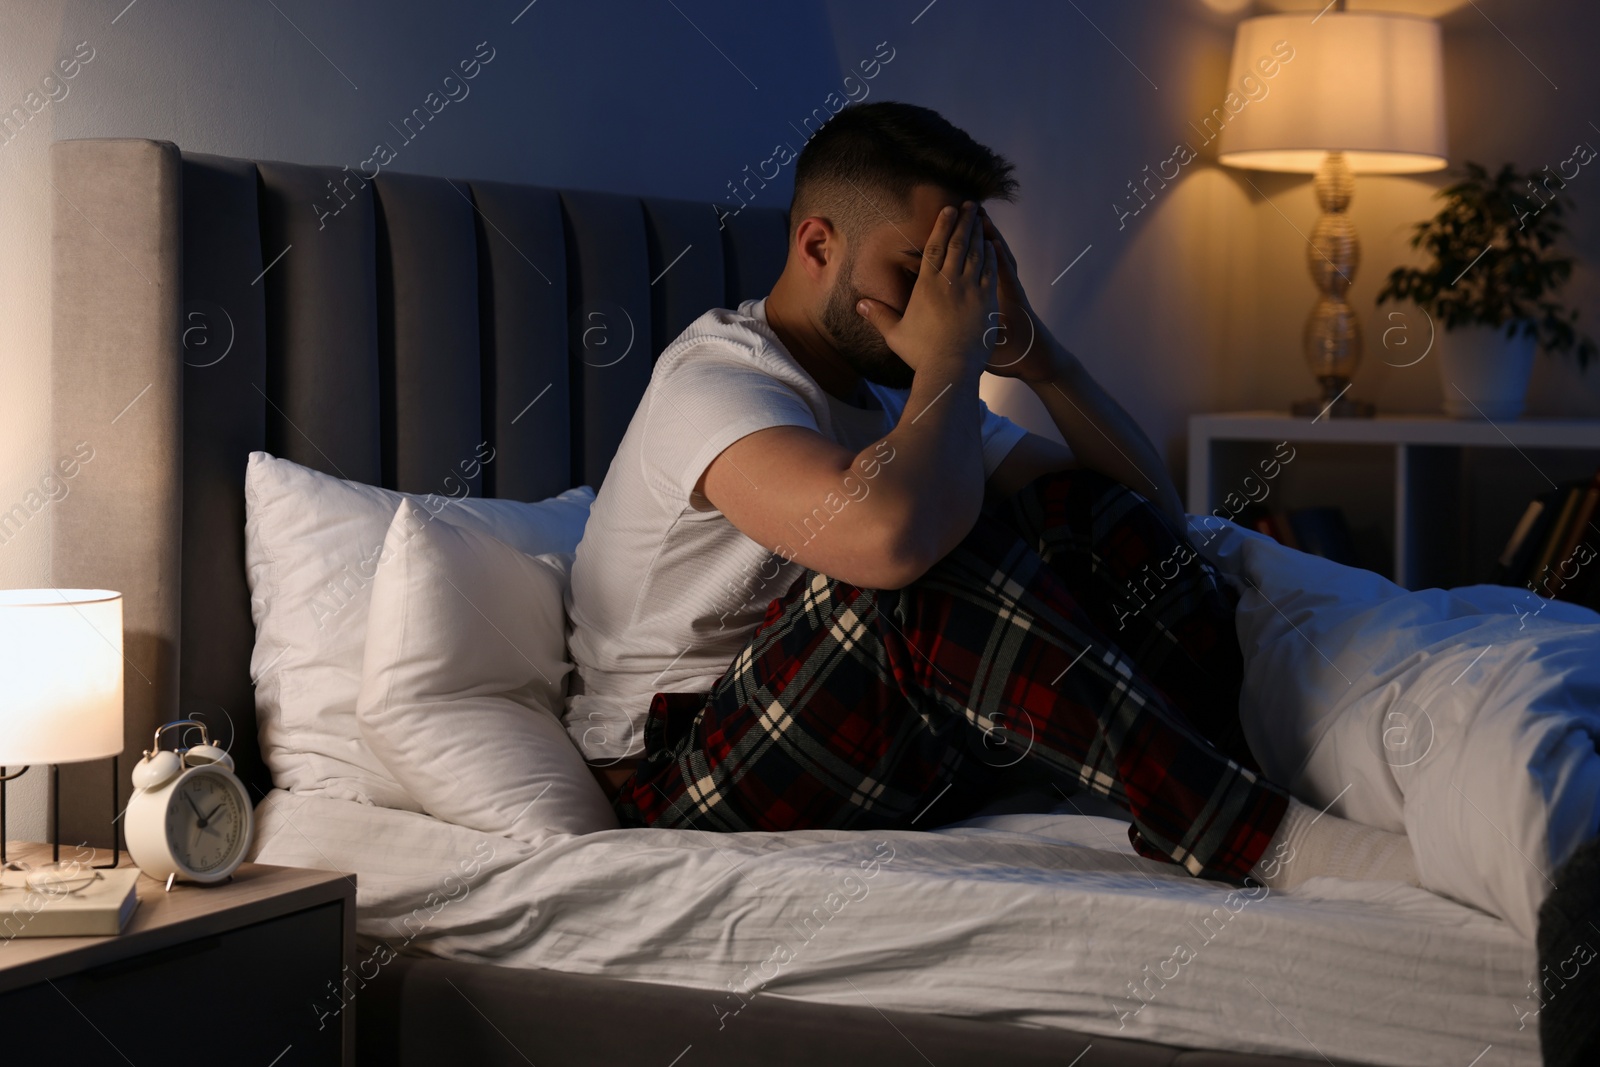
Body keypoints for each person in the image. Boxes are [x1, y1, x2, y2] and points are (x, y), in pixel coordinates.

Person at [564, 100, 1417, 892]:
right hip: (681, 768)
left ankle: (1254, 769)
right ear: (817, 247)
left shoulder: (902, 391)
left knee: (1074, 512)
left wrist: (1043, 359)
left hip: (867, 736)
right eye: (920, 268)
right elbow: (894, 543)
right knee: (931, 549)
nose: (947, 299)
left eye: (961, 268)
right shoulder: (715, 382)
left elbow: (1144, 510)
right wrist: (951, 358)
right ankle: (1263, 839)